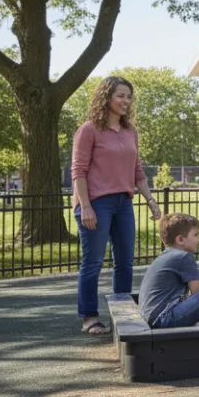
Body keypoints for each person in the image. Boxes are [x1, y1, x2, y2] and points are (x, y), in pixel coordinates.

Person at [71, 75, 161, 335]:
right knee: (93, 262)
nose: (126, 101)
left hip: (123, 202)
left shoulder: (130, 130)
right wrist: (85, 206)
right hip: (96, 203)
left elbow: (137, 170)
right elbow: (78, 171)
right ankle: (89, 316)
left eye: (129, 96)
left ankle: (122, 314)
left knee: (125, 262)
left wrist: (151, 201)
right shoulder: (89, 129)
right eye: (120, 95)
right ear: (106, 97)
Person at [138, 213, 199, 328]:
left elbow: (196, 295)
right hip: (163, 318)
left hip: (152, 318)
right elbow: (198, 293)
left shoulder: (166, 256)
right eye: (196, 235)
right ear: (180, 239)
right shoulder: (184, 257)